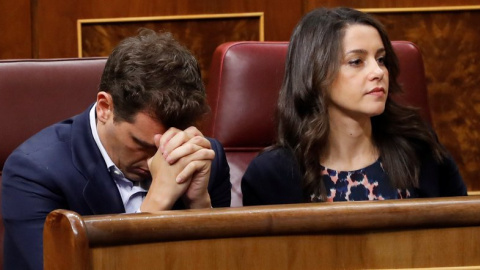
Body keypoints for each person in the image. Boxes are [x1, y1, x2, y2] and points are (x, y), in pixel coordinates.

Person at [2, 29, 231, 269]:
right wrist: (155, 205)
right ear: (105, 108)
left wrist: (201, 209)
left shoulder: (202, 159)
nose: (157, 161)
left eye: (171, 142)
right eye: (142, 145)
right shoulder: (33, 173)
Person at [242, 7, 467, 206]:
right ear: (315, 75)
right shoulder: (273, 173)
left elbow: (462, 237)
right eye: (356, 61)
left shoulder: (420, 150)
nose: (378, 72)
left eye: (380, 59)